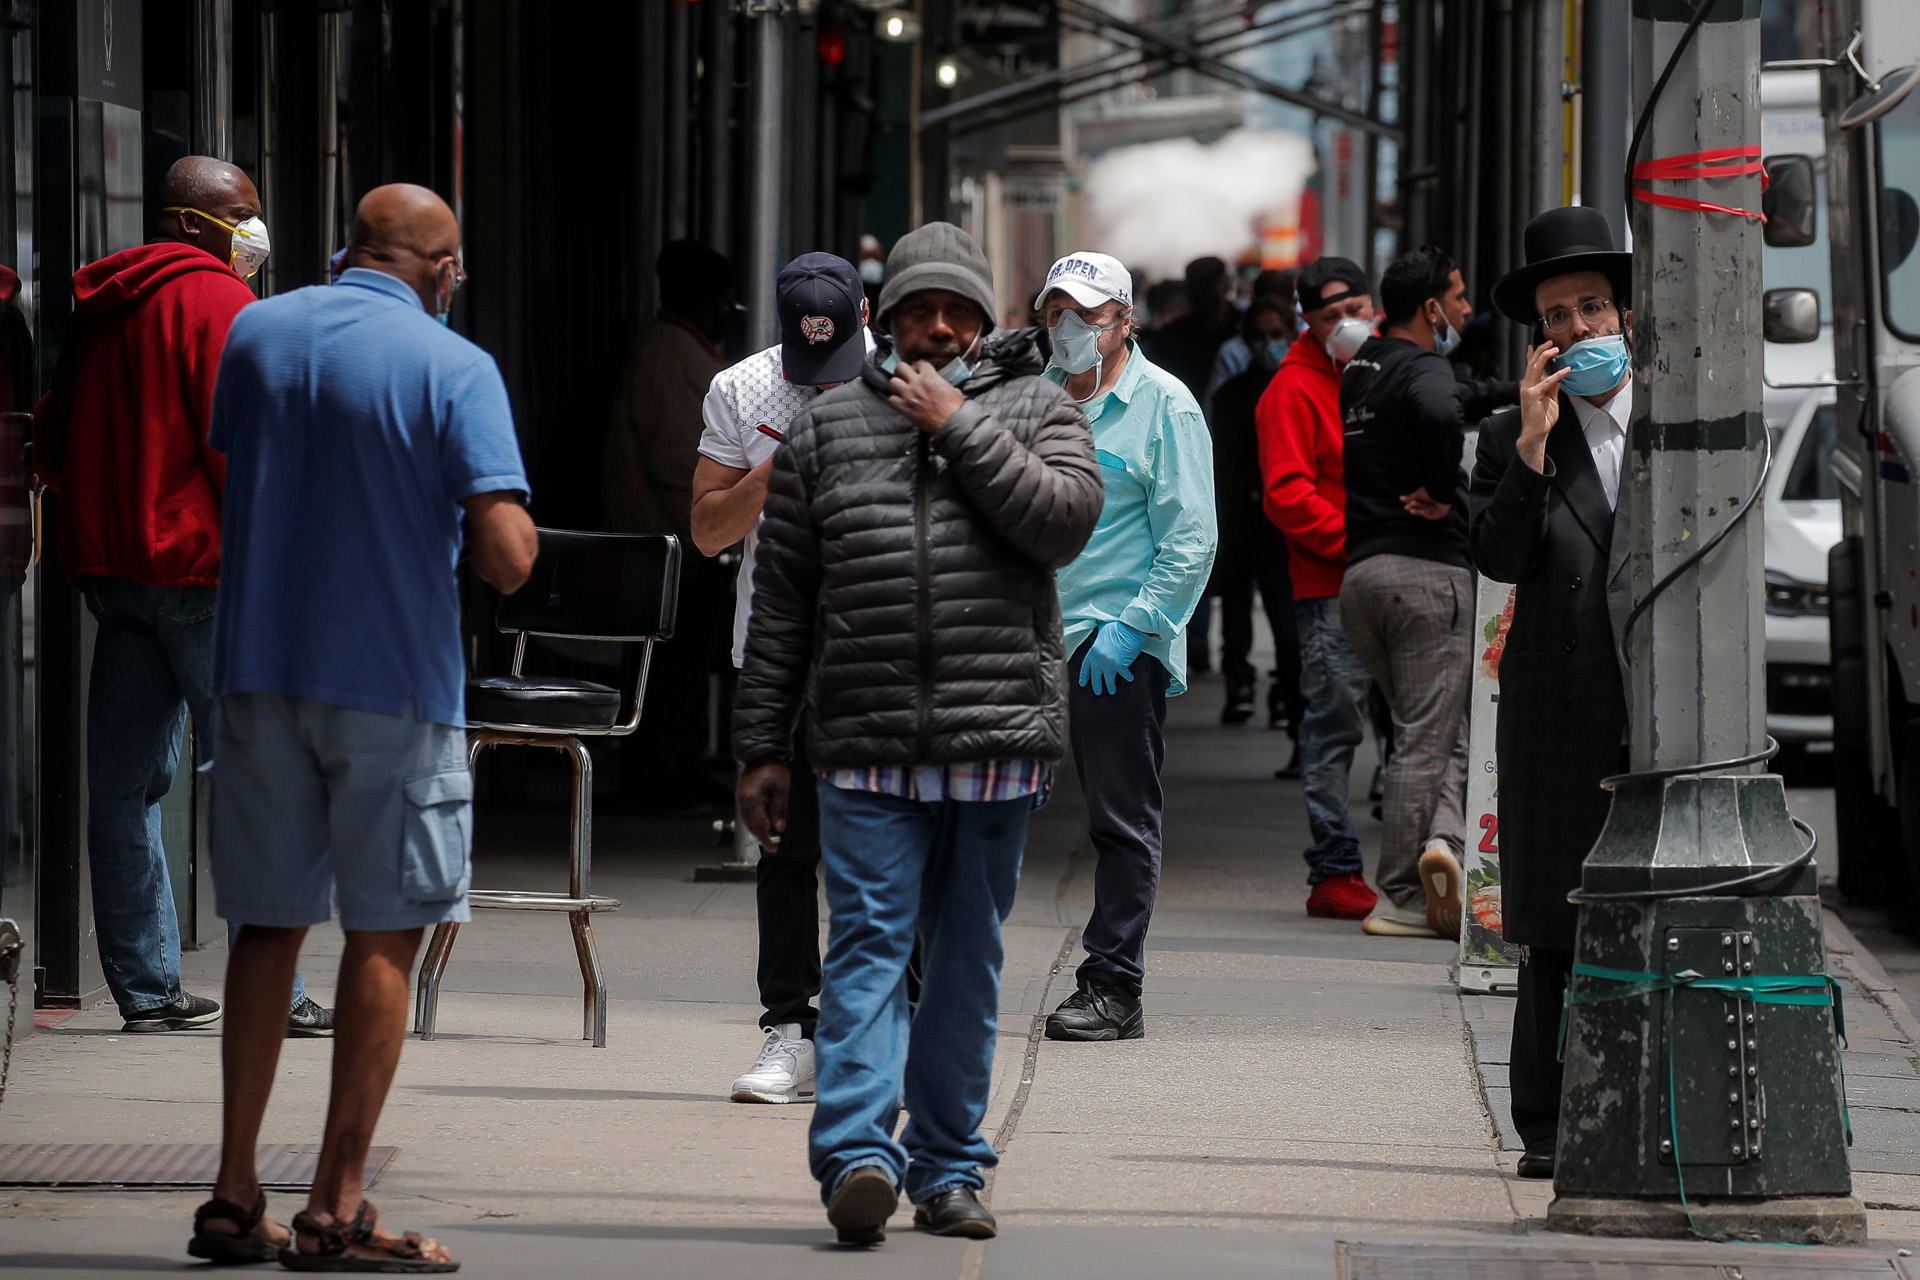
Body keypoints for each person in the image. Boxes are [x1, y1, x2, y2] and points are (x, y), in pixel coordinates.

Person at [732, 221, 1102, 1246]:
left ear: (985, 321)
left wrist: (958, 426)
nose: (936, 325)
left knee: (967, 962)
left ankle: (947, 1168)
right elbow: (783, 604)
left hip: (994, 741)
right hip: (862, 740)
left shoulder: (1038, 407)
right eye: (915, 308)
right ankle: (857, 1151)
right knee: (864, 946)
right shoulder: (823, 430)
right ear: (881, 317)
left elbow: (1065, 521)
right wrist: (761, 742)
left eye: (956, 310)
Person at [190, 184, 536, 1268]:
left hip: (257, 666)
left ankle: (235, 1188)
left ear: (350, 250)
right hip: (391, 679)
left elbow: (251, 460)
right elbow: (508, 556)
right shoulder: (456, 367)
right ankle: (337, 1203)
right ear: (441, 271)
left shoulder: (257, 332)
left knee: (265, 925)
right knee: (386, 928)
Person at [32, 157, 329, 1036]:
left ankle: (148, 991)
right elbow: (244, 454)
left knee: (122, 789)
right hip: (206, 576)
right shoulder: (223, 307)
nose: (257, 232)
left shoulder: (103, 307)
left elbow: (53, 438)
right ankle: (276, 991)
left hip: (115, 577)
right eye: (242, 214)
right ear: (192, 222)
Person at [1469, 206, 1635, 1182]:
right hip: (1558, 706)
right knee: (1555, 926)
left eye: (1591, 308)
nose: (1577, 329)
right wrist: (1531, 445)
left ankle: (1640, 1094)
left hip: (1655, 710)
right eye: (1557, 315)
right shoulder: (1510, 434)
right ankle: (1544, 1120)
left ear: (1624, 314)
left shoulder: (1678, 420)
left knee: (1651, 906)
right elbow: (1497, 556)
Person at [692, 251, 873, 1105]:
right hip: (779, 646)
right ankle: (789, 1029)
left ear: (864, 318)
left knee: (885, 845)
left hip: (880, 647)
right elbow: (705, 530)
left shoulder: (900, 380)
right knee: (785, 846)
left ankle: (876, 1029)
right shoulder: (740, 388)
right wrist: (781, 464)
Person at [1036, 250, 1217, 1043]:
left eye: (1086, 313)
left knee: (1120, 819)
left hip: (1113, 645)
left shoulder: (1165, 407)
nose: (1070, 327)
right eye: (1055, 312)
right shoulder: (1031, 399)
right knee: (983, 806)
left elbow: (1191, 538)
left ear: (1123, 320)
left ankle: (1115, 984)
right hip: (1028, 640)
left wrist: (1136, 628)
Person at [1337, 247, 1487, 940]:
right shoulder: (1425, 371)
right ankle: (1398, 892)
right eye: (1456, 300)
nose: (1464, 311)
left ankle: (1443, 845)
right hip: (1425, 575)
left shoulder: (1363, 367)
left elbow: (1455, 394)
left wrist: (1518, 388)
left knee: (1436, 731)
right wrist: (1442, 486)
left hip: (1363, 577)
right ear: (1430, 308)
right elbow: (1437, 406)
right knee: (1424, 742)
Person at [1254, 256, 1379, 921]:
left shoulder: (1391, 371)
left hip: (1386, 575)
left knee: (1414, 729)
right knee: (1332, 730)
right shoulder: (1290, 390)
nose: (1347, 326)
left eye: (1355, 310)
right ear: (1307, 320)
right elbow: (1287, 494)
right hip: (1330, 585)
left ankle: (1417, 862)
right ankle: (1334, 867)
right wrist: (1363, 540)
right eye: (1331, 317)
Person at [603, 241, 741, 811]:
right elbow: (678, 466)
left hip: (678, 544)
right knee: (667, 669)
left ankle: (677, 762)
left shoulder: (681, 350)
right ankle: (654, 773)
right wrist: (714, 527)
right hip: (669, 545)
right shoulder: (669, 355)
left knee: (681, 666)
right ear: (707, 302)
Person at [1209, 296, 1304, 749]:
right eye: (1262, 337)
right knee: (1236, 605)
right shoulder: (1233, 396)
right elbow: (1222, 457)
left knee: (1286, 617)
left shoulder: (1298, 388)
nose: (1271, 345)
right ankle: (1239, 680)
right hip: (1245, 516)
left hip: (1281, 521)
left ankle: (1287, 694)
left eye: (1277, 335)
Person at [1204, 268, 1296, 414]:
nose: (1268, 344)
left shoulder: (1307, 383)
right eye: (1259, 337)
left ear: (1291, 335)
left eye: (1276, 334)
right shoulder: (1231, 394)